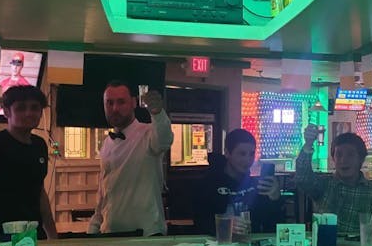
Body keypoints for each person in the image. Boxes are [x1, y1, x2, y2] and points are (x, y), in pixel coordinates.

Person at [0, 86, 58, 241]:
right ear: (6, 112)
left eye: (34, 108)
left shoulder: (40, 144)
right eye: (21, 108)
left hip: (34, 234)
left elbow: (39, 192)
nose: (29, 113)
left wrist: (52, 235)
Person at [88, 81, 173, 236]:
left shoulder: (148, 133)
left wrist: (158, 113)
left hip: (146, 236)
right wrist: (93, 227)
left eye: (121, 102)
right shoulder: (106, 144)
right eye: (109, 103)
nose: (115, 108)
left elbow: (165, 139)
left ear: (134, 103)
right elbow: (104, 194)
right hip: (110, 235)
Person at [295, 126, 372, 235]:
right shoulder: (324, 185)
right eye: (339, 154)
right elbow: (302, 178)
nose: (343, 160)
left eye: (350, 154)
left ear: (361, 159)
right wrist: (308, 144)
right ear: (333, 159)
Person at [192, 129, 283, 235]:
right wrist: (225, 225)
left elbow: (273, 228)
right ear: (227, 153)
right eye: (242, 154)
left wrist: (275, 200)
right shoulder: (208, 183)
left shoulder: (258, 185)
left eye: (251, 154)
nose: (248, 160)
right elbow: (200, 221)